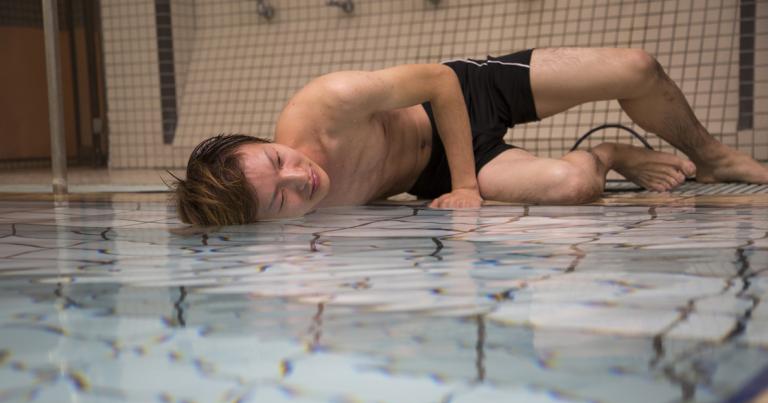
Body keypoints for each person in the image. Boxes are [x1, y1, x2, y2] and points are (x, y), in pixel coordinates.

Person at [173, 48, 768, 225]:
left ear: (268, 139)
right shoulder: (292, 237)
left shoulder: (325, 105)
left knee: (636, 69)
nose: (302, 176)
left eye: (279, 160)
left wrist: (465, 185)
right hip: (435, 174)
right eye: (283, 197)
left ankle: (712, 158)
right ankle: (611, 153)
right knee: (570, 188)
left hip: (459, 96)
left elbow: (434, 81)